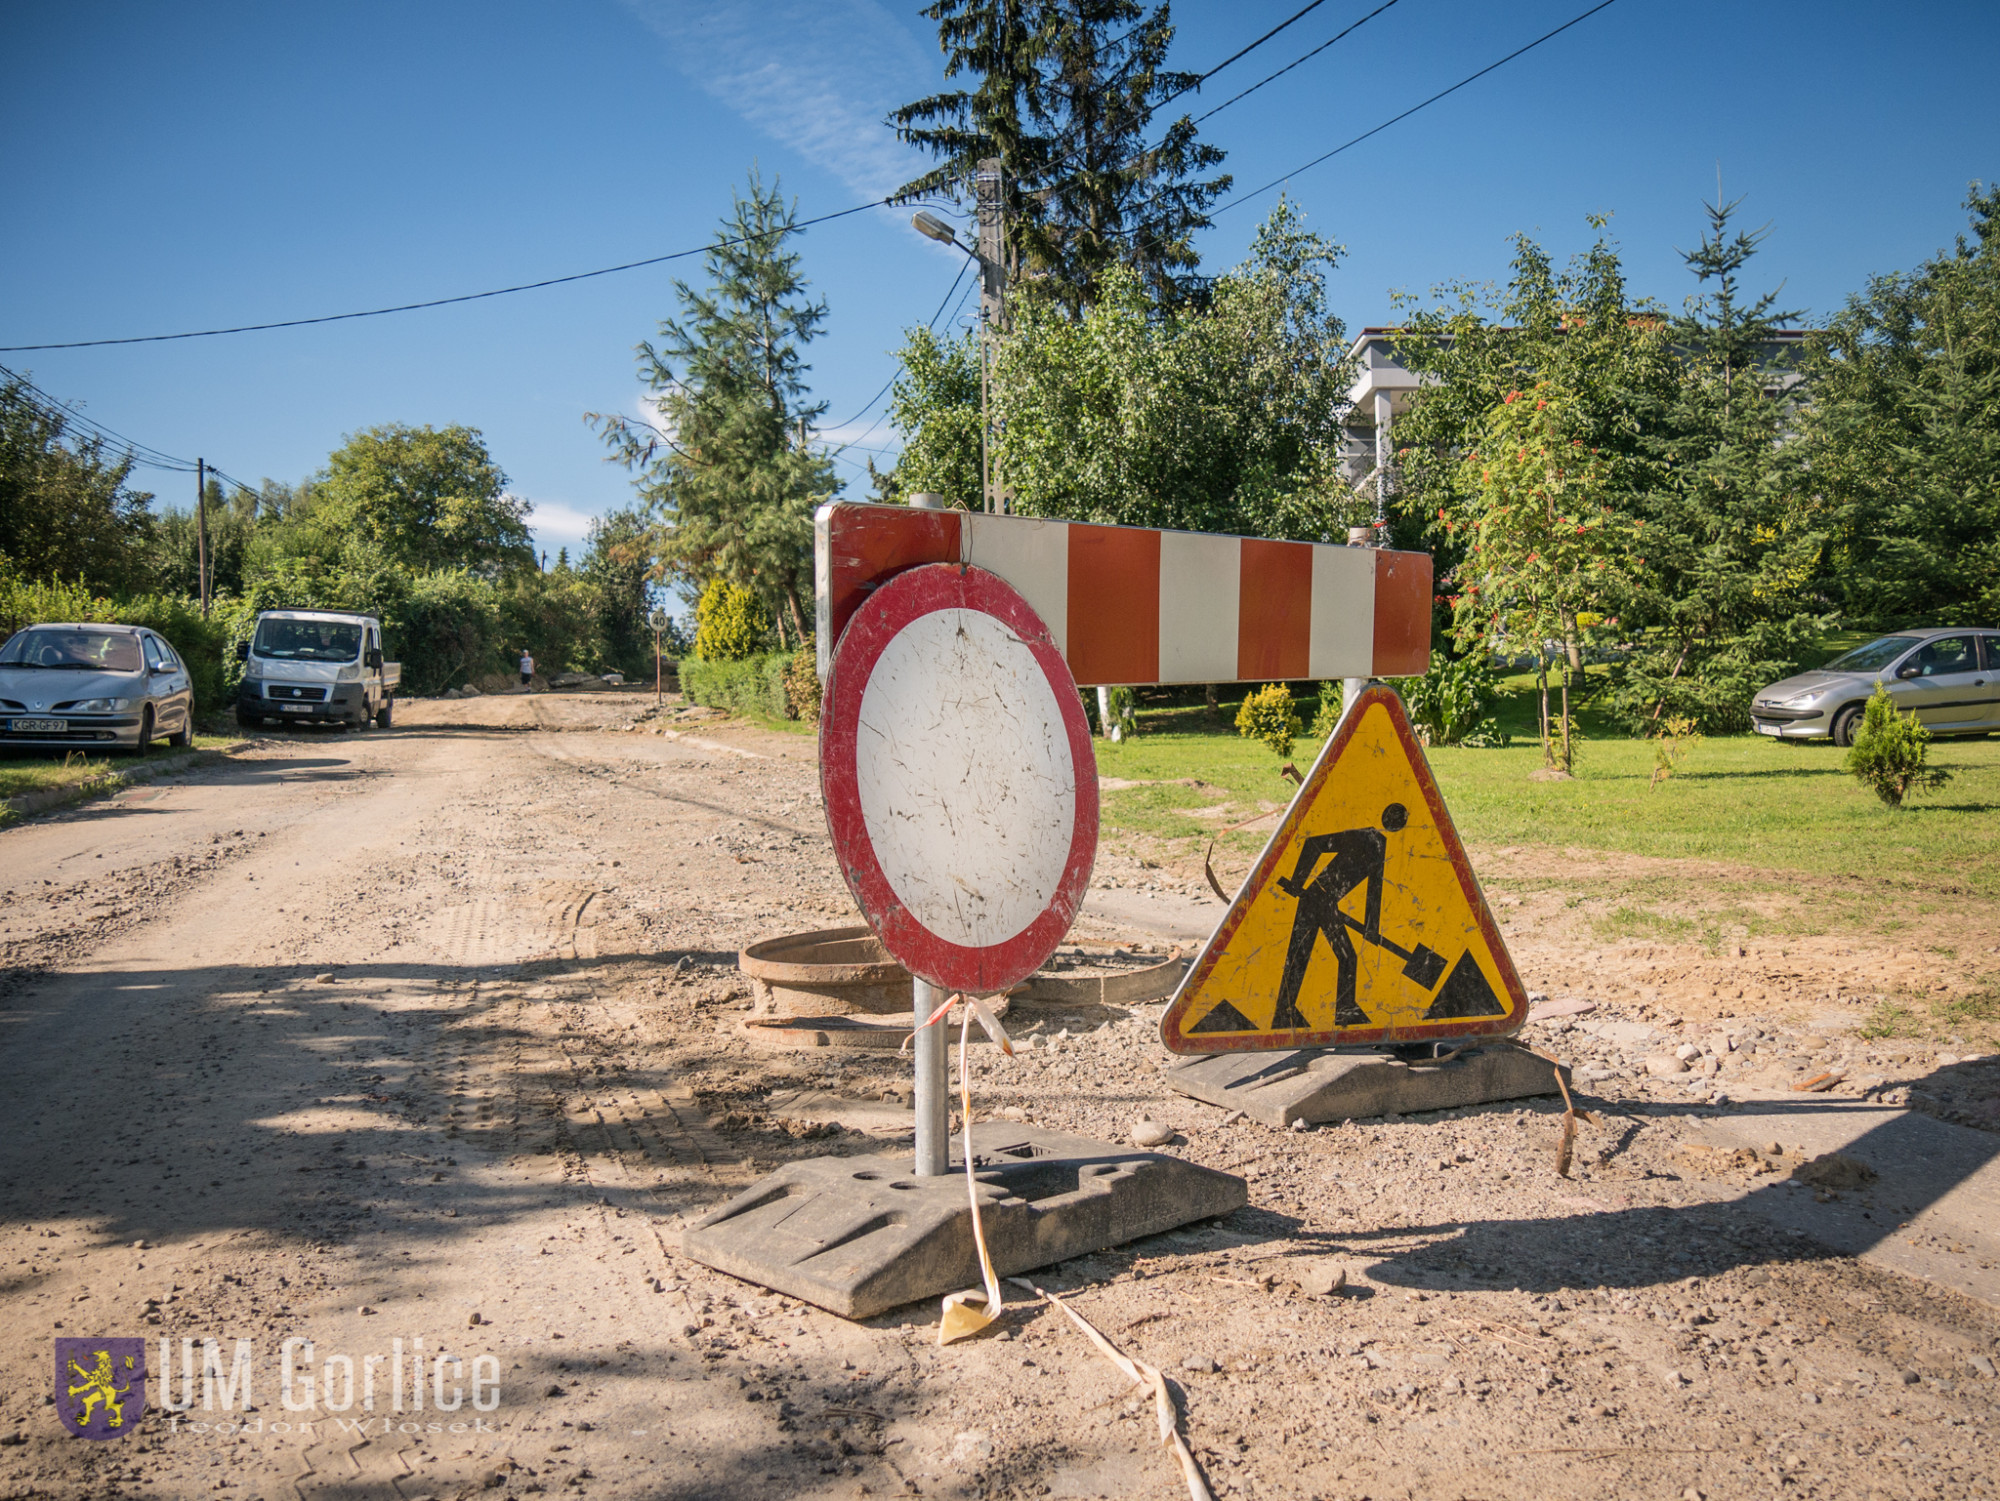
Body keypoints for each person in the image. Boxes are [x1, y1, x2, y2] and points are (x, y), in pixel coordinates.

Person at [1269, 803, 1409, 1030]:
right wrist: (1297, 881)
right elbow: (1313, 843)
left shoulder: (1380, 845)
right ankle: (1328, 1012)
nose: (1397, 822)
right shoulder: (1364, 836)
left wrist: (1372, 927)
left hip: (1325, 904)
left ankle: (1298, 1012)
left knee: (1309, 955)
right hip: (1315, 899)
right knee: (1305, 955)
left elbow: (1375, 889)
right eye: (1397, 817)